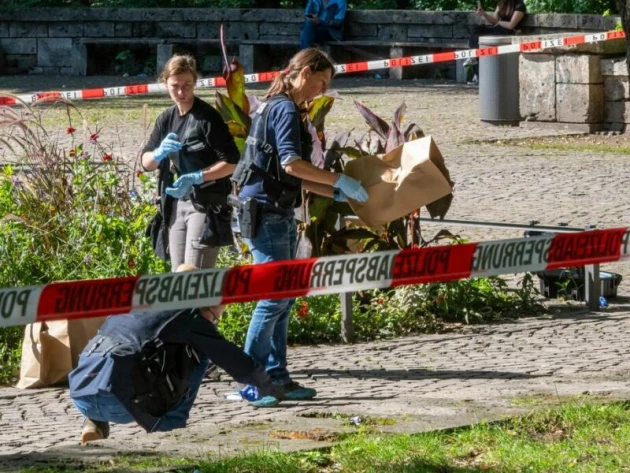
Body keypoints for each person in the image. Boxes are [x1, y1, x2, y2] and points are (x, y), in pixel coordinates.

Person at [230, 48, 369, 401]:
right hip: (267, 213)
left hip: (275, 209)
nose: (321, 91)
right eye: (321, 82)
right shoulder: (285, 109)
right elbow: (293, 164)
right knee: (274, 297)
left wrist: (332, 191)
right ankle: (252, 381)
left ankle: (277, 376)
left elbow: (288, 175)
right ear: (304, 73)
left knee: (284, 297)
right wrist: (338, 179)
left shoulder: (276, 105)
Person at [69, 266, 284, 445]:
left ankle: (93, 423)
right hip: (121, 404)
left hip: (81, 390)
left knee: (114, 363)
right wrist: (270, 387)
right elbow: (234, 361)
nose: (212, 324)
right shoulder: (188, 313)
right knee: (200, 355)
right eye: (214, 318)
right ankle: (172, 434)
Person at [141, 54, 239, 271]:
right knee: (179, 276)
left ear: (195, 83)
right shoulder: (166, 117)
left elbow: (232, 161)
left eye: (187, 85)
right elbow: (146, 162)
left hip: (205, 204)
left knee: (195, 277)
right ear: (165, 83)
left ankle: (205, 307)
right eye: (175, 85)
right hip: (176, 203)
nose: (181, 92)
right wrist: (158, 153)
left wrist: (197, 176)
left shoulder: (207, 117)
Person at [463, 0, 527, 83]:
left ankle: (475, 62)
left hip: (507, 32)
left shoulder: (520, 6)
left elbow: (511, 25)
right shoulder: (501, 3)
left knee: (484, 38)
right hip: (497, 29)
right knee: (477, 29)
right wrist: (484, 14)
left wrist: (499, 22)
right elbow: (493, 21)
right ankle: (474, 56)